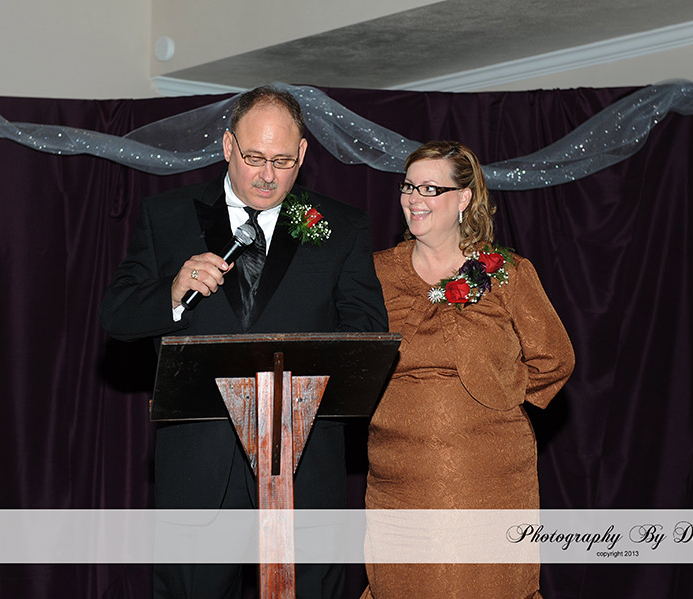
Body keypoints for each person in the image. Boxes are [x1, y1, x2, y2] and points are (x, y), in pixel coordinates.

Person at [99, 86, 388, 599]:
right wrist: (172, 291)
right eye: (254, 157)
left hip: (303, 470)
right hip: (199, 473)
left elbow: (365, 337)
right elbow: (116, 315)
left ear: (302, 154)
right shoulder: (167, 215)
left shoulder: (342, 226)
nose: (267, 175)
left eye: (282, 161)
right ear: (228, 145)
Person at [362, 141, 575, 598]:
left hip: (491, 477)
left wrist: (498, 393)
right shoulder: (374, 274)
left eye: (430, 188)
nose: (414, 198)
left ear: (464, 198)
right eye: (408, 186)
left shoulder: (507, 273)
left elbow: (555, 359)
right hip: (399, 478)